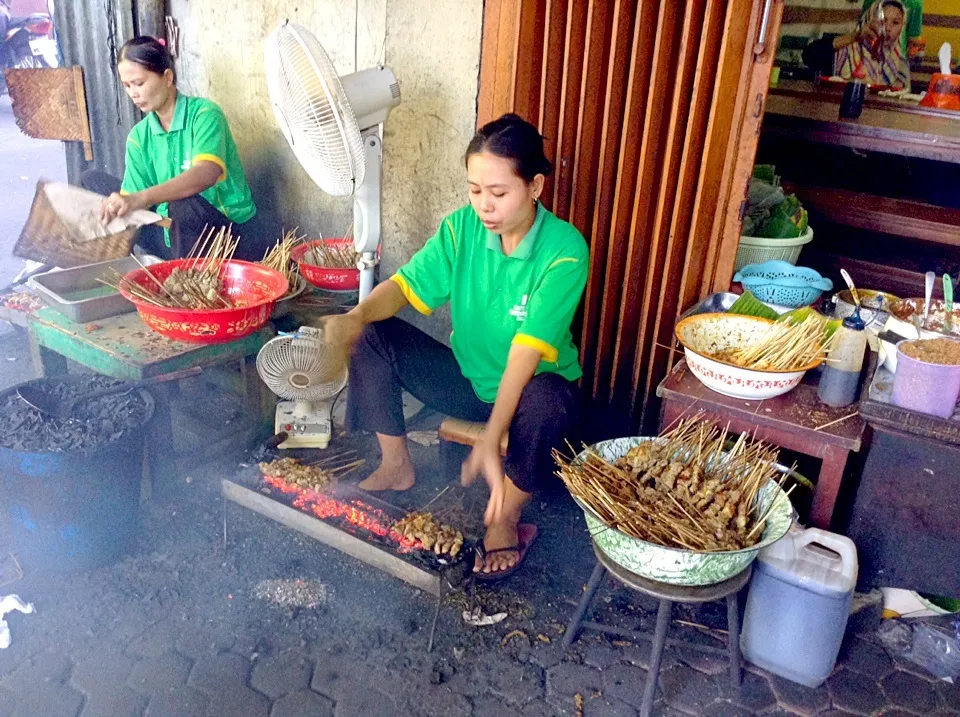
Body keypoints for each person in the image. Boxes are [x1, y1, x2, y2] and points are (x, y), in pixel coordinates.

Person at [321, 114, 588, 580]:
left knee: (552, 399)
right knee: (372, 333)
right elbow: (405, 287)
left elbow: (525, 356)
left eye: (499, 193)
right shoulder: (461, 228)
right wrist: (355, 316)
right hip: (467, 379)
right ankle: (396, 466)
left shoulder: (565, 250)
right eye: (475, 190)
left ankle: (505, 516)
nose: (484, 205)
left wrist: (491, 436)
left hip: (528, 395)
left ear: (536, 187)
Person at [81, 37, 268, 260]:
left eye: (139, 83)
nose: (133, 93)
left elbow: (206, 173)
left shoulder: (204, 115)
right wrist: (118, 207)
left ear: (167, 77)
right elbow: (131, 199)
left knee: (183, 204)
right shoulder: (139, 137)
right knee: (91, 183)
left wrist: (141, 198)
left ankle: (188, 284)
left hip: (226, 239)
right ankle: (123, 269)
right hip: (171, 236)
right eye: (127, 86)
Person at [802, 0, 910, 89]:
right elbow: (808, 56)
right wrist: (856, 36)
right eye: (882, 20)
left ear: (902, 27)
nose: (887, 28)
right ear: (869, 19)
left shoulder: (900, 63)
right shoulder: (846, 49)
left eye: (895, 23)